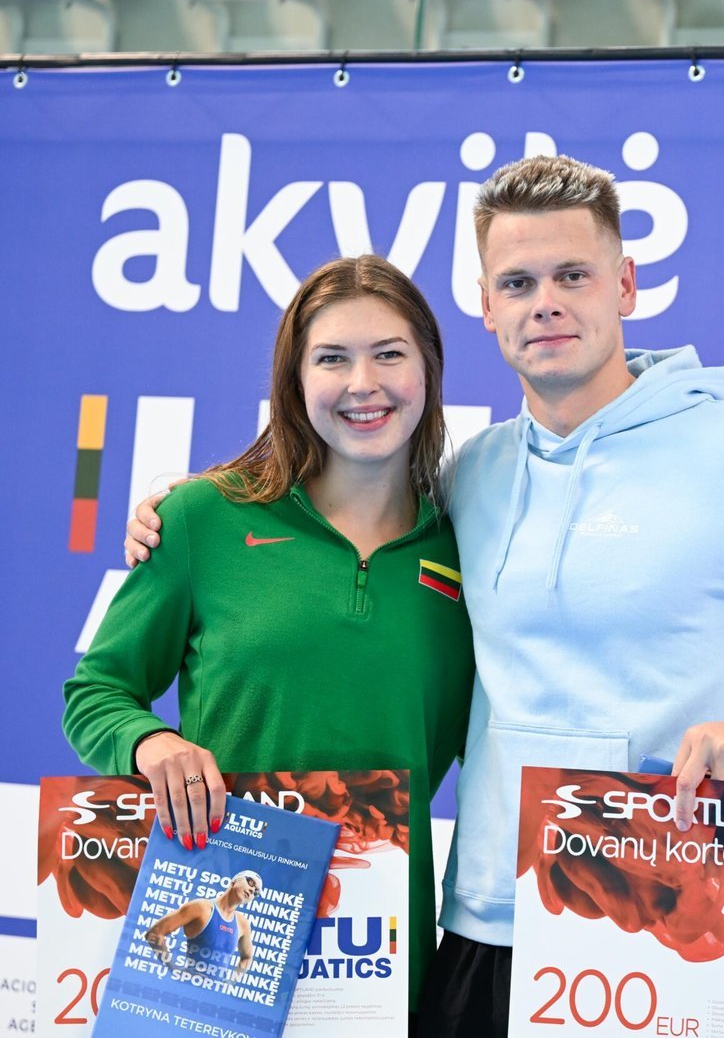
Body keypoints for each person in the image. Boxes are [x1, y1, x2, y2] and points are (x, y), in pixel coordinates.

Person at [129, 155, 724, 1036]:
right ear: (486, 306)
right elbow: (344, 512)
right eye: (518, 282)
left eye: (574, 275)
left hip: (667, 928)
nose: (546, 303)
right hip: (485, 925)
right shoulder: (474, 473)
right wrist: (191, 509)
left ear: (626, 284)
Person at [71, 254, 474, 1018]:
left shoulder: (473, 549)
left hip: (382, 959)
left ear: (429, 369)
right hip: (218, 940)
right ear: (293, 379)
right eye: (332, 358)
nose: (363, 383)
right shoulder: (202, 519)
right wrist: (151, 744)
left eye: (390, 353)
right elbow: (96, 693)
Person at [144, 870, 261, 980]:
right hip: (188, 987)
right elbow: (155, 933)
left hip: (214, 993)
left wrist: (230, 982)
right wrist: (173, 968)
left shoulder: (242, 923)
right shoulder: (201, 908)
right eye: (251, 882)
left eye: (256, 892)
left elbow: (247, 957)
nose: (252, 890)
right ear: (234, 881)